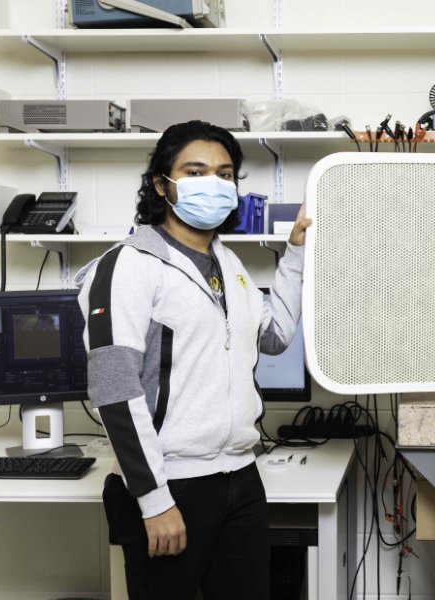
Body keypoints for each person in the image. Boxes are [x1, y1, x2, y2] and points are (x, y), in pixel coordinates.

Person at [75, 120, 311, 599]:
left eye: (226, 174)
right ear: (163, 184)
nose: (216, 184)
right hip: (172, 484)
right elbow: (113, 389)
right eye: (197, 171)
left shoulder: (229, 264)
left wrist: (295, 255)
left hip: (240, 479)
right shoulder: (127, 267)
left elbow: (275, 335)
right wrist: (154, 499)